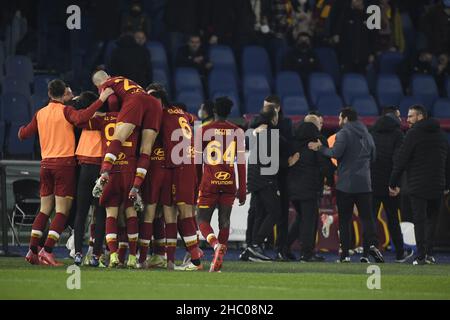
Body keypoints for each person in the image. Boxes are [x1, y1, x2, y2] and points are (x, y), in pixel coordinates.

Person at [20, 79, 113, 266]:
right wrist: (101, 99)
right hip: (64, 165)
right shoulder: (66, 111)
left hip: (45, 164)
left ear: (48, 94)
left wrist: (21, 130)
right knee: (62, 211)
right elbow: (83, 117)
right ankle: (47, 250)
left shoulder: (40, 113)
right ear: (63, 94)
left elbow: (23, 134)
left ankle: (32, 251)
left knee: (45, 210)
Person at [309, 107, 384, 263]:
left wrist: (320, 148)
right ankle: (369, 250)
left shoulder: (344, 133)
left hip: (346, 185)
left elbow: (335, 153)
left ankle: (345, 255)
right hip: (365, 184)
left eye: (340, 118)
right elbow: (374, 156)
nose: (339, 121)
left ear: (345, 118)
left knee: (344, 219)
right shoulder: (367, 133)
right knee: (367, 218)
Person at [91, 71, 162, 214]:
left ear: (98, 83)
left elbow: (112, 101)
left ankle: (104, 173)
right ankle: (136, 187)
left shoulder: (106, 84)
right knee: (146, 150)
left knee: (117, 138)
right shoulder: (125, 80)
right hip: (153, 103)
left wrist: (113, 113)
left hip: (134, 101)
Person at [389, 105, 450, 265]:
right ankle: (429, 253)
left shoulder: (413, 134)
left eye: (410, 116)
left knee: (420, 220)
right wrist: (446, 185)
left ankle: (421, 255)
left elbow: (401, 160)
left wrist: (393, 182)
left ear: (420, 116)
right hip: (437, 185)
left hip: (418, 185)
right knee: (432, 220)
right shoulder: (442, 135)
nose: (407, 120)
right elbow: (447, 163)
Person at [195, 97, 246, 272]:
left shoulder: (203, 131)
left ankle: (216, 245)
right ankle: (219, 262)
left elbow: (196, 162)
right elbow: (241, 163)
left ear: (214, 111)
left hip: (210, 182)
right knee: (224, 221)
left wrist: (196, 185)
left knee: (201, 219)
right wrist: (243, 189)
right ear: (229, 112)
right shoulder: (237, 131)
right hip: (229, 182)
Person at [246, 95, 292, 261]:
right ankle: (255, 245)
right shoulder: (270, 133)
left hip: (255, 178)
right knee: (275, 212)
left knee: (259, 213)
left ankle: (251, 247)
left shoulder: (257, 131)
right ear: (274, 117)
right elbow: (274, 157)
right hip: (265, 178)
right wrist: (289, 162)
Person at [370, 106, 414, 263]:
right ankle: (400, 253)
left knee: (371, 218)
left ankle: (370, 251)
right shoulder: (398, 134)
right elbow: (398, 160)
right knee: (393, 219)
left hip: (372, 182)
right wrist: (395, 183)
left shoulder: (372, 131)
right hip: (389, 184)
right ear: (395, 116)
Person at [287, 115, 334, 262]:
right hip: (310, 188)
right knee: (309, 220)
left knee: (301, 218)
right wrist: (330, 179)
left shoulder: (294, 139)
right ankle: (307, 253)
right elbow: (324, 165)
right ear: (316, 126)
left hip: (293, 188)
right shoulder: (317, 140)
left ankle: (284, 247)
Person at [72, 91, 108, 266]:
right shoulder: (108, 118)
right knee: (99, 213)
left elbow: (78, 117)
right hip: (102, 168)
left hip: (86, 167)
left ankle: (78, 253)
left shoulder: (85, 119)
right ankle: (96, 255)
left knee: (81, 212)